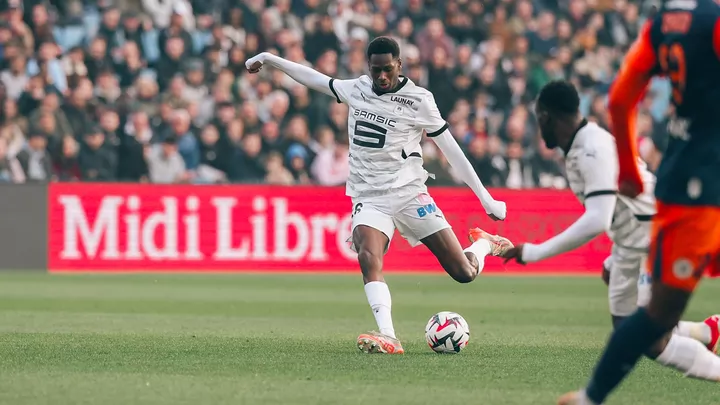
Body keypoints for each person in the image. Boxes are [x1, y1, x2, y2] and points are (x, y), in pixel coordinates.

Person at [245, 37, 512, 354]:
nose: (382, 77)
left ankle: (484, 244)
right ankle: (389, 335)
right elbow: (316, 79)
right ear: (368, 67)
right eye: (376, 70)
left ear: (399, 65)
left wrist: (485, 198)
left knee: (463, 273)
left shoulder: (418, 100)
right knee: (368, 256)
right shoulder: (357, 89)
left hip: (410, 194)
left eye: (387, 70)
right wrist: (271, 59)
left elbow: (452, 152)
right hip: (369, 196)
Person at [551, 1, 720, 403]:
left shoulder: (661, 25)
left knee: (656, 315)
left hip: (688, 184)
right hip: (701, 183)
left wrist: (627, 170)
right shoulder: (713, 25)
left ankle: (591, 397)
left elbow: (621, 99)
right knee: (658, 313)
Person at [503, 80, 720, 393]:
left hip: (652, 238)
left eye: (539, 120)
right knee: (625, 324)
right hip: (631, 241)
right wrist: (615, 255)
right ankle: (704, 333)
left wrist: (533, 252)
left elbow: (597, 219)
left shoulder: (591, 148)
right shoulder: (581, 145)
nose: (540, 128)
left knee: (649, 338)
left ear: (547, 117)